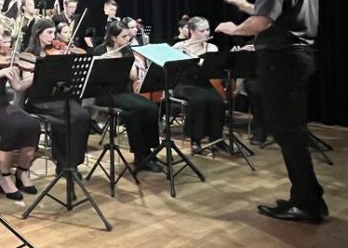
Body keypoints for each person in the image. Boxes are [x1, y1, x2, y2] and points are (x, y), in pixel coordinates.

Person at [216, 0, 326, 224]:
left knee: (287, 132)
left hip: (282, 60)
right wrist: (245, 5)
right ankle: (310, 197)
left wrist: (234, 29)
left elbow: (263, 22)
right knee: (291, 130)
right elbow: (275, 13)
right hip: (300, 58)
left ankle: (307, 204)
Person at [0, 18, 40, 199]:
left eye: (2, 34)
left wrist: (36, 76)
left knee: (33, 124)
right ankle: (3, 176)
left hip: (2, 104)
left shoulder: (4, 57)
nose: (0, 39)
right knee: (12, 127)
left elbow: (18, 86)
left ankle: (22, 171)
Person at [22, 19, 91, 173]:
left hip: (57, 97)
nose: (53, 37)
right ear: (38, 33)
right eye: (49, 33)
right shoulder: (28, 54)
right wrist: (41, 70)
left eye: (54, 32)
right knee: (68, 118)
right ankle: (63, 164)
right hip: (38, 100)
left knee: (83, 115)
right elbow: (26, 81)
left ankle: (73, 162)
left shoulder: (57, 51)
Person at [93, 21, 162, 172]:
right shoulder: (100, 50)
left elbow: (133, 76)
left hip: (124, 93)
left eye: (129, 36)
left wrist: (126, 60)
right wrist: (105, 61)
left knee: (141, 111)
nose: (128, 40)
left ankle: (143, 155)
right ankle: (144, 155)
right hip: (105, 94)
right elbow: (97, 80)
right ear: (113, 37)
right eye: (124, 37)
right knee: (145, 107)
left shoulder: (127, 50)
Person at [173, 17, 226, 155]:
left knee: (218, 101)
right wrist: (179, 54)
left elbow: (211, 68)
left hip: (203, 83)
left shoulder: (212, 47)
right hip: (183, 84)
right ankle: (195, 140)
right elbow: (171, 69)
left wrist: (192, 56)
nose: (207, 33)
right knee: (199, 101)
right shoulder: (179, 46)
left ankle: (217, 139)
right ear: (192, 31)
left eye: (208, 29)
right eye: (202, 30)